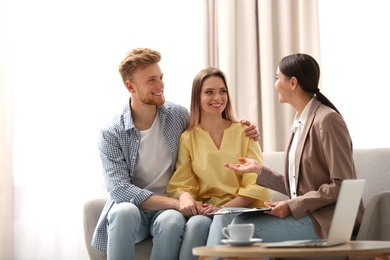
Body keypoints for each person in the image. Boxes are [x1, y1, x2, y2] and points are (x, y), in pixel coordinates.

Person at [91, 48, 260, 260]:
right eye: (151, 80)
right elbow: (119, 190)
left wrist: (249, 128)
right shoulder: (112, 133)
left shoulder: (177, 116)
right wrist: (178, 202)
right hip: (137, 209)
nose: (160, 85)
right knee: (122, 211)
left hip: (170, 211)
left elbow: (209, 126)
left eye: (160, 78)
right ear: (130, 86)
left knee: (172, 222)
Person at [222, 53, 365, 246]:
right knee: (236, 222)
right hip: (311, 214)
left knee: (242, 228)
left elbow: (343, 185)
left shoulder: (327, 119)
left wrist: (291, 205)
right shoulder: (300, 121)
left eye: (277, 78)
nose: (274, 84)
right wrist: (259, 170)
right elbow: (299, 188)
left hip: (330, 221)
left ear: (293, 82)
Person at [166, 67, 271, 259]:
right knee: (197, 224)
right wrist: (187, 199)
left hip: (240, 208)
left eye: (223, 91)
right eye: (209, 92)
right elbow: (182, 182)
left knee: (216, 221)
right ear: (197, 97)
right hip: (206, 210)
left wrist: (223, 209)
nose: (218, 98)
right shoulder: (188, 138)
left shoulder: (244, 132)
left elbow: (255, 183)